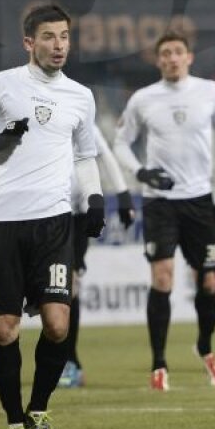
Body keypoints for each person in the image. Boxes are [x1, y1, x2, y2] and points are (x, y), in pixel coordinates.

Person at [0, 3, 105, 429]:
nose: (59, 44)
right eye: (49, 36)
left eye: (64, 36)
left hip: (55, 221)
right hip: (3, 220)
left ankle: (38, 409)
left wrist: (95, 199)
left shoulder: (80, 96)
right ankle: (12, 422)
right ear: (29, 42)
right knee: (5, 330)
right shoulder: (0, 85)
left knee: (58, 325)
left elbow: (85, 155)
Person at [114, 31, 215, 391]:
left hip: (199, 200)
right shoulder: (143, 99)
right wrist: (140, 171)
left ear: (190, 57)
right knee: (163, 277)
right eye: (165, 53)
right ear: (158, 60)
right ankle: (159, 363)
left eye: (177, 52)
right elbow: (120, 142)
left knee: (209, 280)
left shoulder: (209, 92)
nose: (171, 58)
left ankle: (204, 346)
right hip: (158, 203)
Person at [57, 126, 136, 389]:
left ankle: (70, 361)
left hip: (77, 216)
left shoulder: (79, 113)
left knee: (69, 287)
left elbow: (106, 154)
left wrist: (123, 194)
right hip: (43, 211)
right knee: (51, 293)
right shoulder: (35, 114)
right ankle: (61, 360)